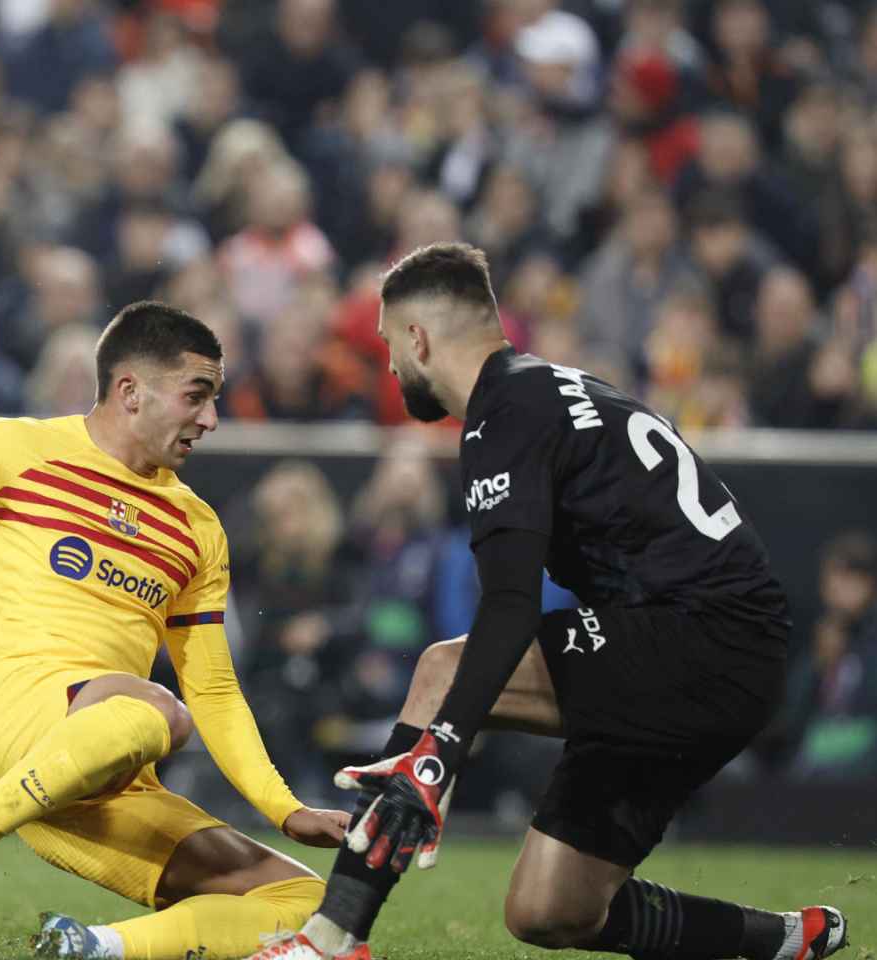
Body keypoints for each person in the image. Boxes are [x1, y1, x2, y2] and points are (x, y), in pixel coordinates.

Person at [248, 243, 847, 960]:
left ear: (419, 337)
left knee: (443, 673)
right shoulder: (553, 391)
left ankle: (331, 936)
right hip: (703, 650)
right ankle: (782, 941)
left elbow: (509, 604)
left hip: (700, 638)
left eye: (387, 344)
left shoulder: (504, 412)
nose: (391, 366)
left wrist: (437, 751)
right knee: (549, 910)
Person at [0, 302, 351, 960]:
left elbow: (217, 691)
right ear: (130, 391)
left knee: (310, 909)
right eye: (197, 396)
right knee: (156, 711)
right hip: (18, 716)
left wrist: (286, 810)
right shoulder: (14, 449)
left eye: (216, 399)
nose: (211, 419)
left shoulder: (197, 528)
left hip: (102, 776)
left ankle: (92, 948)